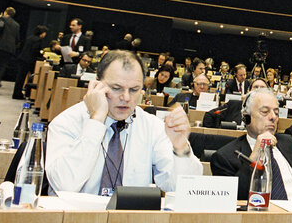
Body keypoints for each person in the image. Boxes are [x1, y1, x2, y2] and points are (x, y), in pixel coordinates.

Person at [46, 50, 202, 194]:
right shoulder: (67, 122)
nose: (126, 98)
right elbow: (64, 186)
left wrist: (181, 148)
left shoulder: (152, 127)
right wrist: (96, 121)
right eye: (116, 88)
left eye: (134, 89)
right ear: (96, 84)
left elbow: (181, 189)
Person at [210, 88, 292, 201]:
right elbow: (233, 197)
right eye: (265, 112)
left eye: (276, 112)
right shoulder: (224, 157)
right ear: (246, 117)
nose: (273, 117)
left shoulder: (288, 142)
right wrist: (254, 156)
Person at [13, 24, 48, 99]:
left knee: (20, 78)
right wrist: (42, 56)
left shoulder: (30, 38)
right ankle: (26, 93)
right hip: (29, 60)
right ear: (42, 33)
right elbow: (35, 51)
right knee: (30, 77)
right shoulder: (38, 40)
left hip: (22, 58)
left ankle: (16, 93)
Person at [0, 7, 21, 86]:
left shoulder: (2, 19)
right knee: (3, 65)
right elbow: (18, 38)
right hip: (10, 48)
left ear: (5, 12)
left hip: (0, 45)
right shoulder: (17, 25)